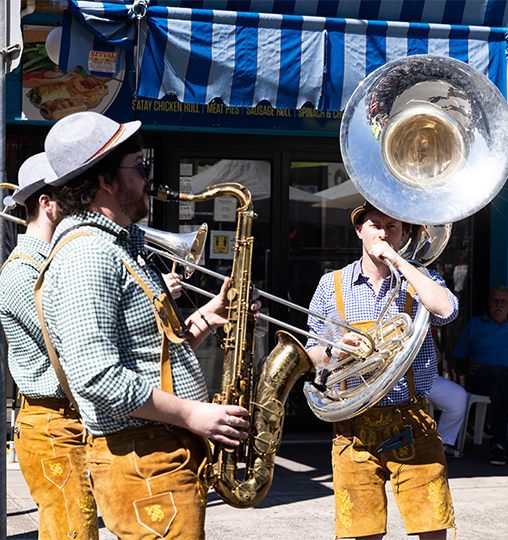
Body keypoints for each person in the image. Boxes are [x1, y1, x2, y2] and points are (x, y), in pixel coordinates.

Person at [38, 111, 253, 539]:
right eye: (140, 167)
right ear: (105, 180)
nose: (150, 177)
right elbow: (95, 376)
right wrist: (194, 414)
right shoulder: (89, 256)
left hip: (157, 452)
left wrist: (209, 316)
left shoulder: (116, 246)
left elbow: (146, 354)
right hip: (144, 457)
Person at [306, 201, 459, 540]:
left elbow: (446, 310)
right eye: (375, 225)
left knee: (433, 527)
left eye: (392, 226)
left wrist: (399, 261)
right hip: (353, 429)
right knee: (363, 533)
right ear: (359, 230)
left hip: (412, 421)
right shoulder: (330, 284)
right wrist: (334, 349)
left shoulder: (421, 278)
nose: (382, 233)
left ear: (404, 234)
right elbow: (311, 355)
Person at [0, 153, 100, 540]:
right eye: (72, 198)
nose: (82, 206)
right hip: (50, 424)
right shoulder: (23, 271)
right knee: (74, 534)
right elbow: (73, 346)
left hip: (68, 420)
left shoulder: (57, 264)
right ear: (47, 203)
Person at [453, 284, 508, 466]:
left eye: (503, 301)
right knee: (499, 372)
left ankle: (497, 447)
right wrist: (467, 369)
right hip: (480, 377)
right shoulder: (475, 324)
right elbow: (459, 356)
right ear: (489, 302)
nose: (499, 304)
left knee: (499, 387)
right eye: (495, 300)